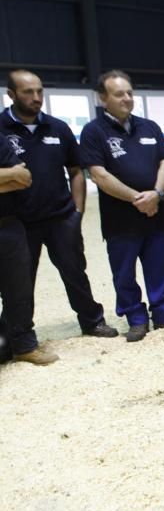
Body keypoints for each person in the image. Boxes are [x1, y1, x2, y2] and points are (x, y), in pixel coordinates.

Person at [80, 70, 164, 342]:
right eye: (119, 94)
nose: (127, 98)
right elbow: (99, 174)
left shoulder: (150, 127)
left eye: (130, 93)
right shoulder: (93, 132)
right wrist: (138, 198)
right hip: (121, 220)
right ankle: (136, 319)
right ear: (103, 98)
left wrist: (156, 194)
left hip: (158, 214)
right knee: (124, 273)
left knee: (161, 267)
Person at [2, 71, 117, 339]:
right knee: (18, 282)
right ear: (11, 95)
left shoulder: (58, 128)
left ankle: (92, 321)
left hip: (61, 217)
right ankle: (13, 336)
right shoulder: (1, 129)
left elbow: (76, 171)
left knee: (75, 271)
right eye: (28, 92)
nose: (36, 98)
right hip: (19, 222)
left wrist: (77, 212)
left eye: (40, 91)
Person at [0, 133, 49, 364]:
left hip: (8, 224)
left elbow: (25, 178)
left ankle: (24, 345)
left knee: (19, 289)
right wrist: (9, 176)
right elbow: (15, 176)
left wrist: (14, 175)